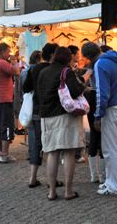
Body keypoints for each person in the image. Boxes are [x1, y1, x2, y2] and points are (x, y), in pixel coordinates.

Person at [36, 47, 86, 201]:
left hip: (47, 116)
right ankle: (68, 191)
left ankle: (51, 191)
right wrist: (84, 85)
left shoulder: (43, 72)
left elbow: (39, 93)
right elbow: (76, 91)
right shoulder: (67, 72)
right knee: (69, 152)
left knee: (52, 153)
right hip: (65, 116)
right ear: (67, 58)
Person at [82, 42, 117, 196]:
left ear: (88, 56)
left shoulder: (100, 64)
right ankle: (111, 181)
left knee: (110, 148)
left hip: (112, 108)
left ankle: (115, 185)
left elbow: (102, 92)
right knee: (116, 146)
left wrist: (98, 115)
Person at [22, 44, 58, 188]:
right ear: (53, 54)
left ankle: (32, 178)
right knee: (51, 146)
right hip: (51, 111)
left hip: (37, 110)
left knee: (37, 143)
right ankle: (52, 180)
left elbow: (26, 88)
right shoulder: (55, 69)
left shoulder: (34, 69)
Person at [81, 46, 104, 184]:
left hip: (92, 97)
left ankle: (94, 175)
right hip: (99, 97)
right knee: (101, 136)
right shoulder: (102, 62)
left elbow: (84, 79)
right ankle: (100, 175)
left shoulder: (92, 64)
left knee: (95, 136)